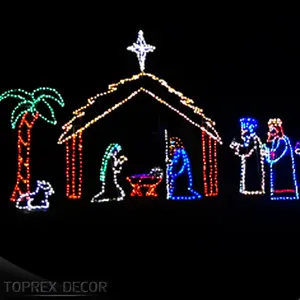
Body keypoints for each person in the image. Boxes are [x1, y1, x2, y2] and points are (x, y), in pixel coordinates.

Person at [262, 118, 298, 200]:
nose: (271, 133)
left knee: (283, 179)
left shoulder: (282, 140)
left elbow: (277, 153)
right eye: (270, 130)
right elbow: (273, 153)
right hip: (278, 166)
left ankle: (286, 193)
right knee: (277, 180)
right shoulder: (275, 140)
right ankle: (277, 193)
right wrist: (267, 151)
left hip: (283, 165)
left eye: (273, 130)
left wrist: (269, 155)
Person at [230, 117, 265, 195]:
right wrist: (237, 146)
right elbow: (245, 149)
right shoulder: (249, 139)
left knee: (251, 176)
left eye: (244, 129)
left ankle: (253, 190)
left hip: (252, 164)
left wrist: (237, 147)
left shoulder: (253, 139)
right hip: (249, 163)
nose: (242, 131)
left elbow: (247, 151)